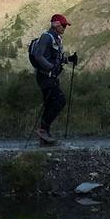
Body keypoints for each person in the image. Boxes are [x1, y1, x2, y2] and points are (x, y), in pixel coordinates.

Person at [29, 14, 77, 146]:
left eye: (65, 25)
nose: (65, 28)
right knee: (59, 101)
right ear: (56, 24)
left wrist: (69, 59)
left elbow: (57, 58)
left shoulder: (57, 38)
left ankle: (44, 138)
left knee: (49, 103)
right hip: (45, 76)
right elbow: (39, 56)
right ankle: (43, 130)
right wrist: (50, 68)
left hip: (51, 76)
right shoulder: (47, 37)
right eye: (63, 25)